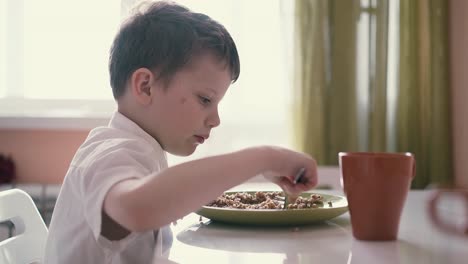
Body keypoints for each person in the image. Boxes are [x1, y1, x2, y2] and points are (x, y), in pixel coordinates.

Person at [44, 1, 318, 263]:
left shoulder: (140, 151)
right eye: (205, 100)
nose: (216, 119)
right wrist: (263, 158)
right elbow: (136, 209)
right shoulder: (109, 151)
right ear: (145, 87)